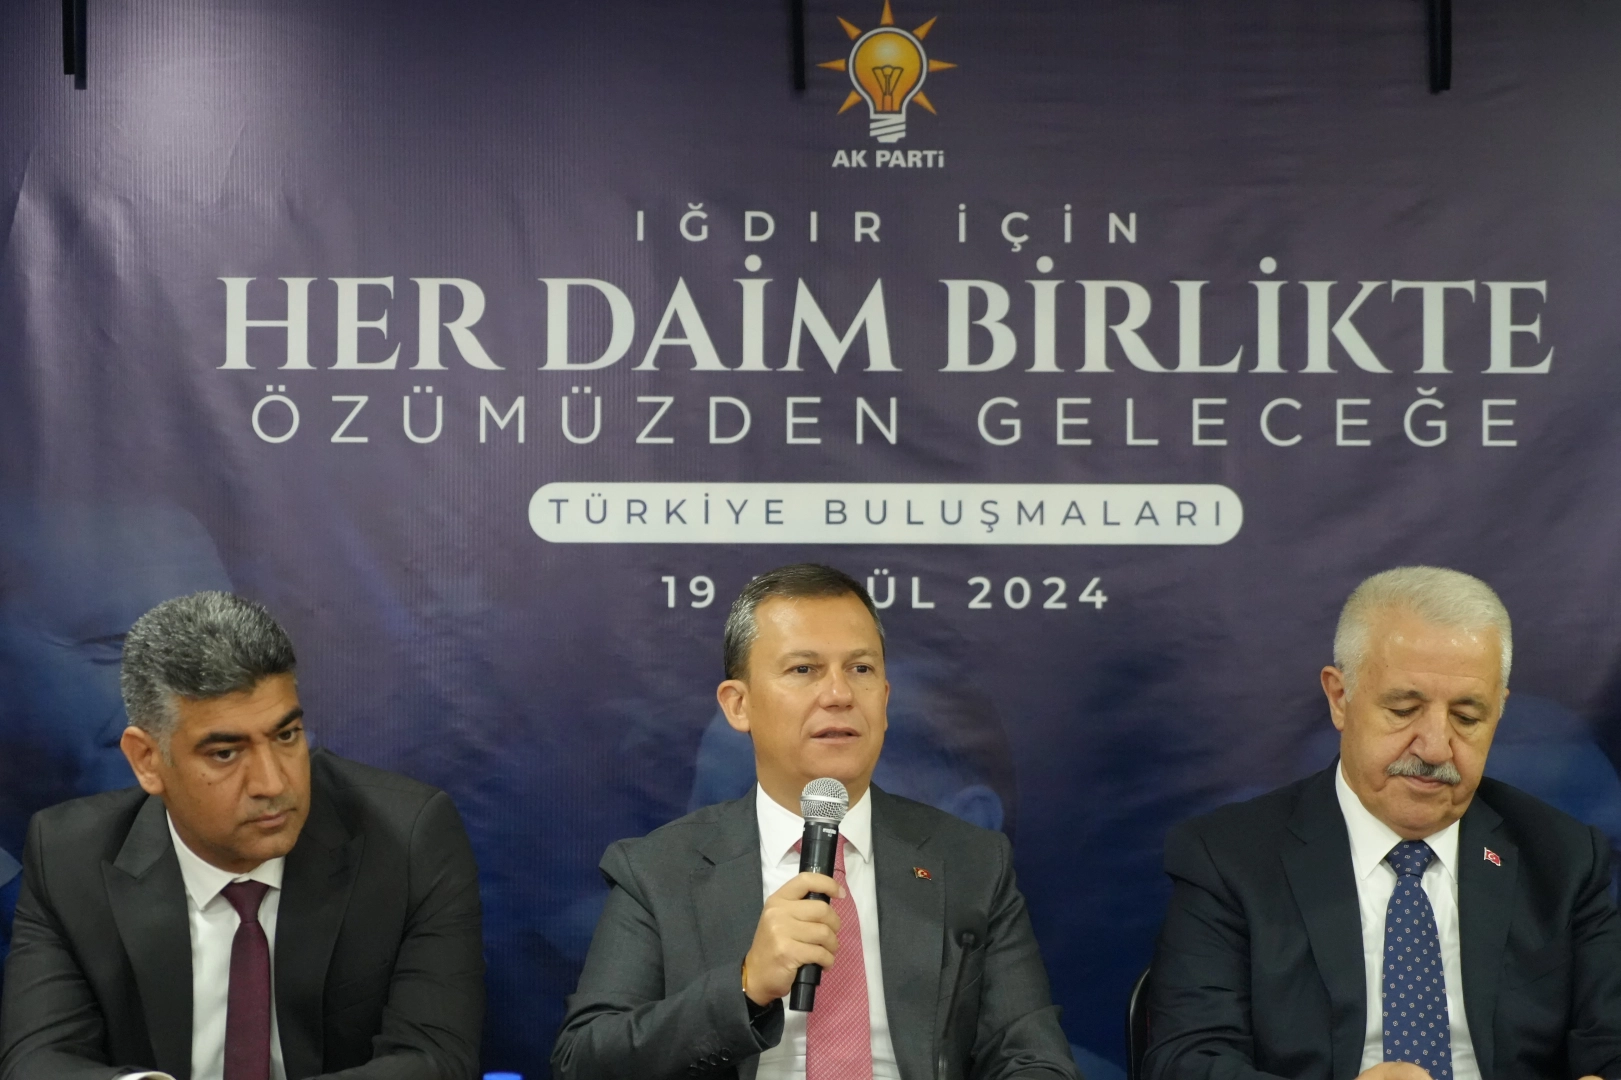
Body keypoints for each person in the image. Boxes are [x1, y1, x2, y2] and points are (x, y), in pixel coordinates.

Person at [551, 563, 1079, 1080]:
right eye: (804, 669)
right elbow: (584, 1062)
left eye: (861, 669)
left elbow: (1032, 1057)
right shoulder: (656, 871)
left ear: (884, 701)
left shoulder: (971, 862)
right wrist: (744, 988)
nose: (839, 695)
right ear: (738, 705)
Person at [1146, 566, 1621, 1080]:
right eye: (1403, 709)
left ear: (1499, 711)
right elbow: (1187, 1060)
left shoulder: (1563, 858)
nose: (1435, 747)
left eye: (1466, 717)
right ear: (1339, 697)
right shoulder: (1229, 857)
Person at [0, 591, 484, 1080]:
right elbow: (37, 1061)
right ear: (147, 760)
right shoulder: (69, 858)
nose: (272, 784)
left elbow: (434, 1060)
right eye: (225, 754)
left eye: (286, 736)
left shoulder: (406, 839)